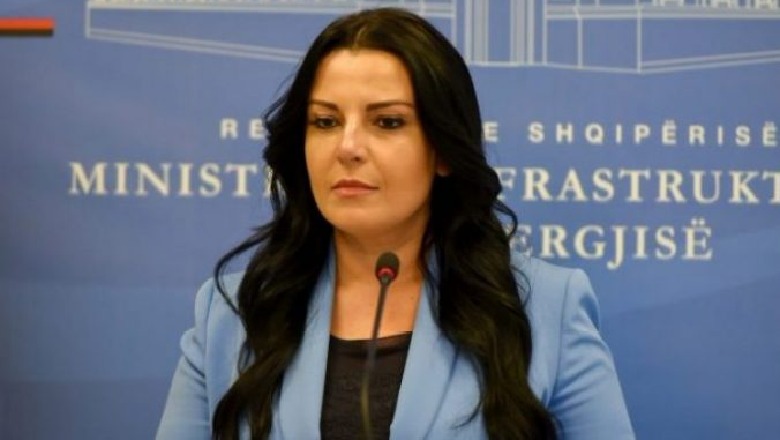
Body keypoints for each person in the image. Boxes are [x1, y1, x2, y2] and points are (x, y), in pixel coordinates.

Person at [156, 7, 634, 440]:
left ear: (444, 150)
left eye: (387, 122)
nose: (347, 147)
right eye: (325, 122)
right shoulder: (233, 314)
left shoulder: (544, 308)